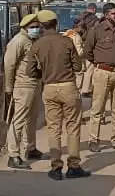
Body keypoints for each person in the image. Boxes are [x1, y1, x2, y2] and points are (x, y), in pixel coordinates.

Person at [26, 10, 90, 180]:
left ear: (41, 26)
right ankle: (74, 166)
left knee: (54, 129)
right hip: (68, 87)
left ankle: (56, 167)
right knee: (73, 127)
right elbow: (77, 67)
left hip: (49, 88)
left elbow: (30, 71)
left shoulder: (37, 45)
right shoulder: (67, 41)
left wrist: (44, 74)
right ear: (56, 24)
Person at [84, 2, 115, 152]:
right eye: (113, 13)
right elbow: (87, 51)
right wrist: (99, 63)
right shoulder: (96, 30)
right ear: (106, 15)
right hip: (102, 73)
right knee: (97, 108)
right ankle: (94, 140)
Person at [3, 13, 46, 169]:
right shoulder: (18, 41)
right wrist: (8, 88)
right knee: (18, 120)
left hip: (35, 83)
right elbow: (9, 65)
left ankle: (30, 148)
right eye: (33, 27)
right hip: (22, 85)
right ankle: (13, 154)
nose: (36, 29)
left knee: (32, 118)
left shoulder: (33, 40)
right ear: (25, 27)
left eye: (37, 27)